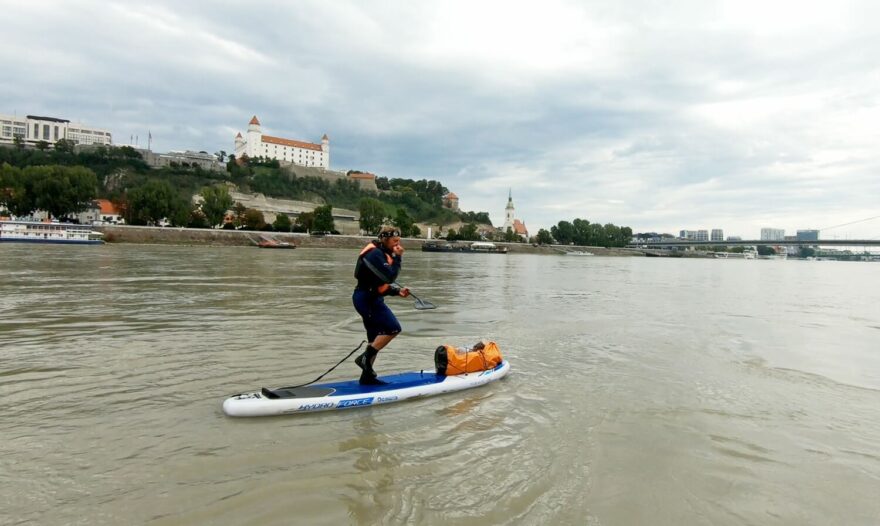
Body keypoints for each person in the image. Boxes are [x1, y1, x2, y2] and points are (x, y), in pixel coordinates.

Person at [352, 226, 410, 384]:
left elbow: (381, 285)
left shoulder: (382, 253)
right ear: (385, 239)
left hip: (370, 297)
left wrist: (397, 292)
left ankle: (367, 377)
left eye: (399, 240)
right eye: (395, 240)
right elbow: (389, 277)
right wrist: (398, 258)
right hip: (366, 299)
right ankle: (364, 359)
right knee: (393, 328)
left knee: (373, 339)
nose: (398, 244)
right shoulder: (375, 253)